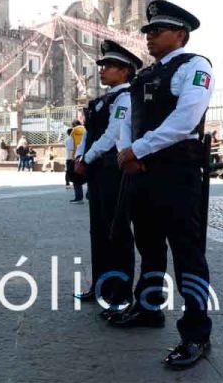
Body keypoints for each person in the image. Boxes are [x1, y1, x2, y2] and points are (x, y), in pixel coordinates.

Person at [114, 0, 214, 368]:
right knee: (150, 247)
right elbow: (130, 119)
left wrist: (137, 149)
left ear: (180, 34)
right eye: (148, 32)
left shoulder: (195, 67)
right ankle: (148, 308)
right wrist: (128, 151)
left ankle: (196, 332)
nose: (150, 37)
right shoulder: (142, 76)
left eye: (157, 31)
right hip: (142, 173)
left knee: (188, 255)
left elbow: (186, 118)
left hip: (175, 173)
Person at [72, 40, 140, 314]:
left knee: (117, 231)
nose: (103, 70)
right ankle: (101, 286)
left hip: (113, 169)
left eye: (110, 66)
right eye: (103, 65)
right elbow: (89, 132)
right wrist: (80, 154)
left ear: (125, 71)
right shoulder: (103, 99)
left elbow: (112, 135)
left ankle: (120, 292)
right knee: (99, 229)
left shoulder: (125, 98)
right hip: (98, 170)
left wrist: (87, 158)